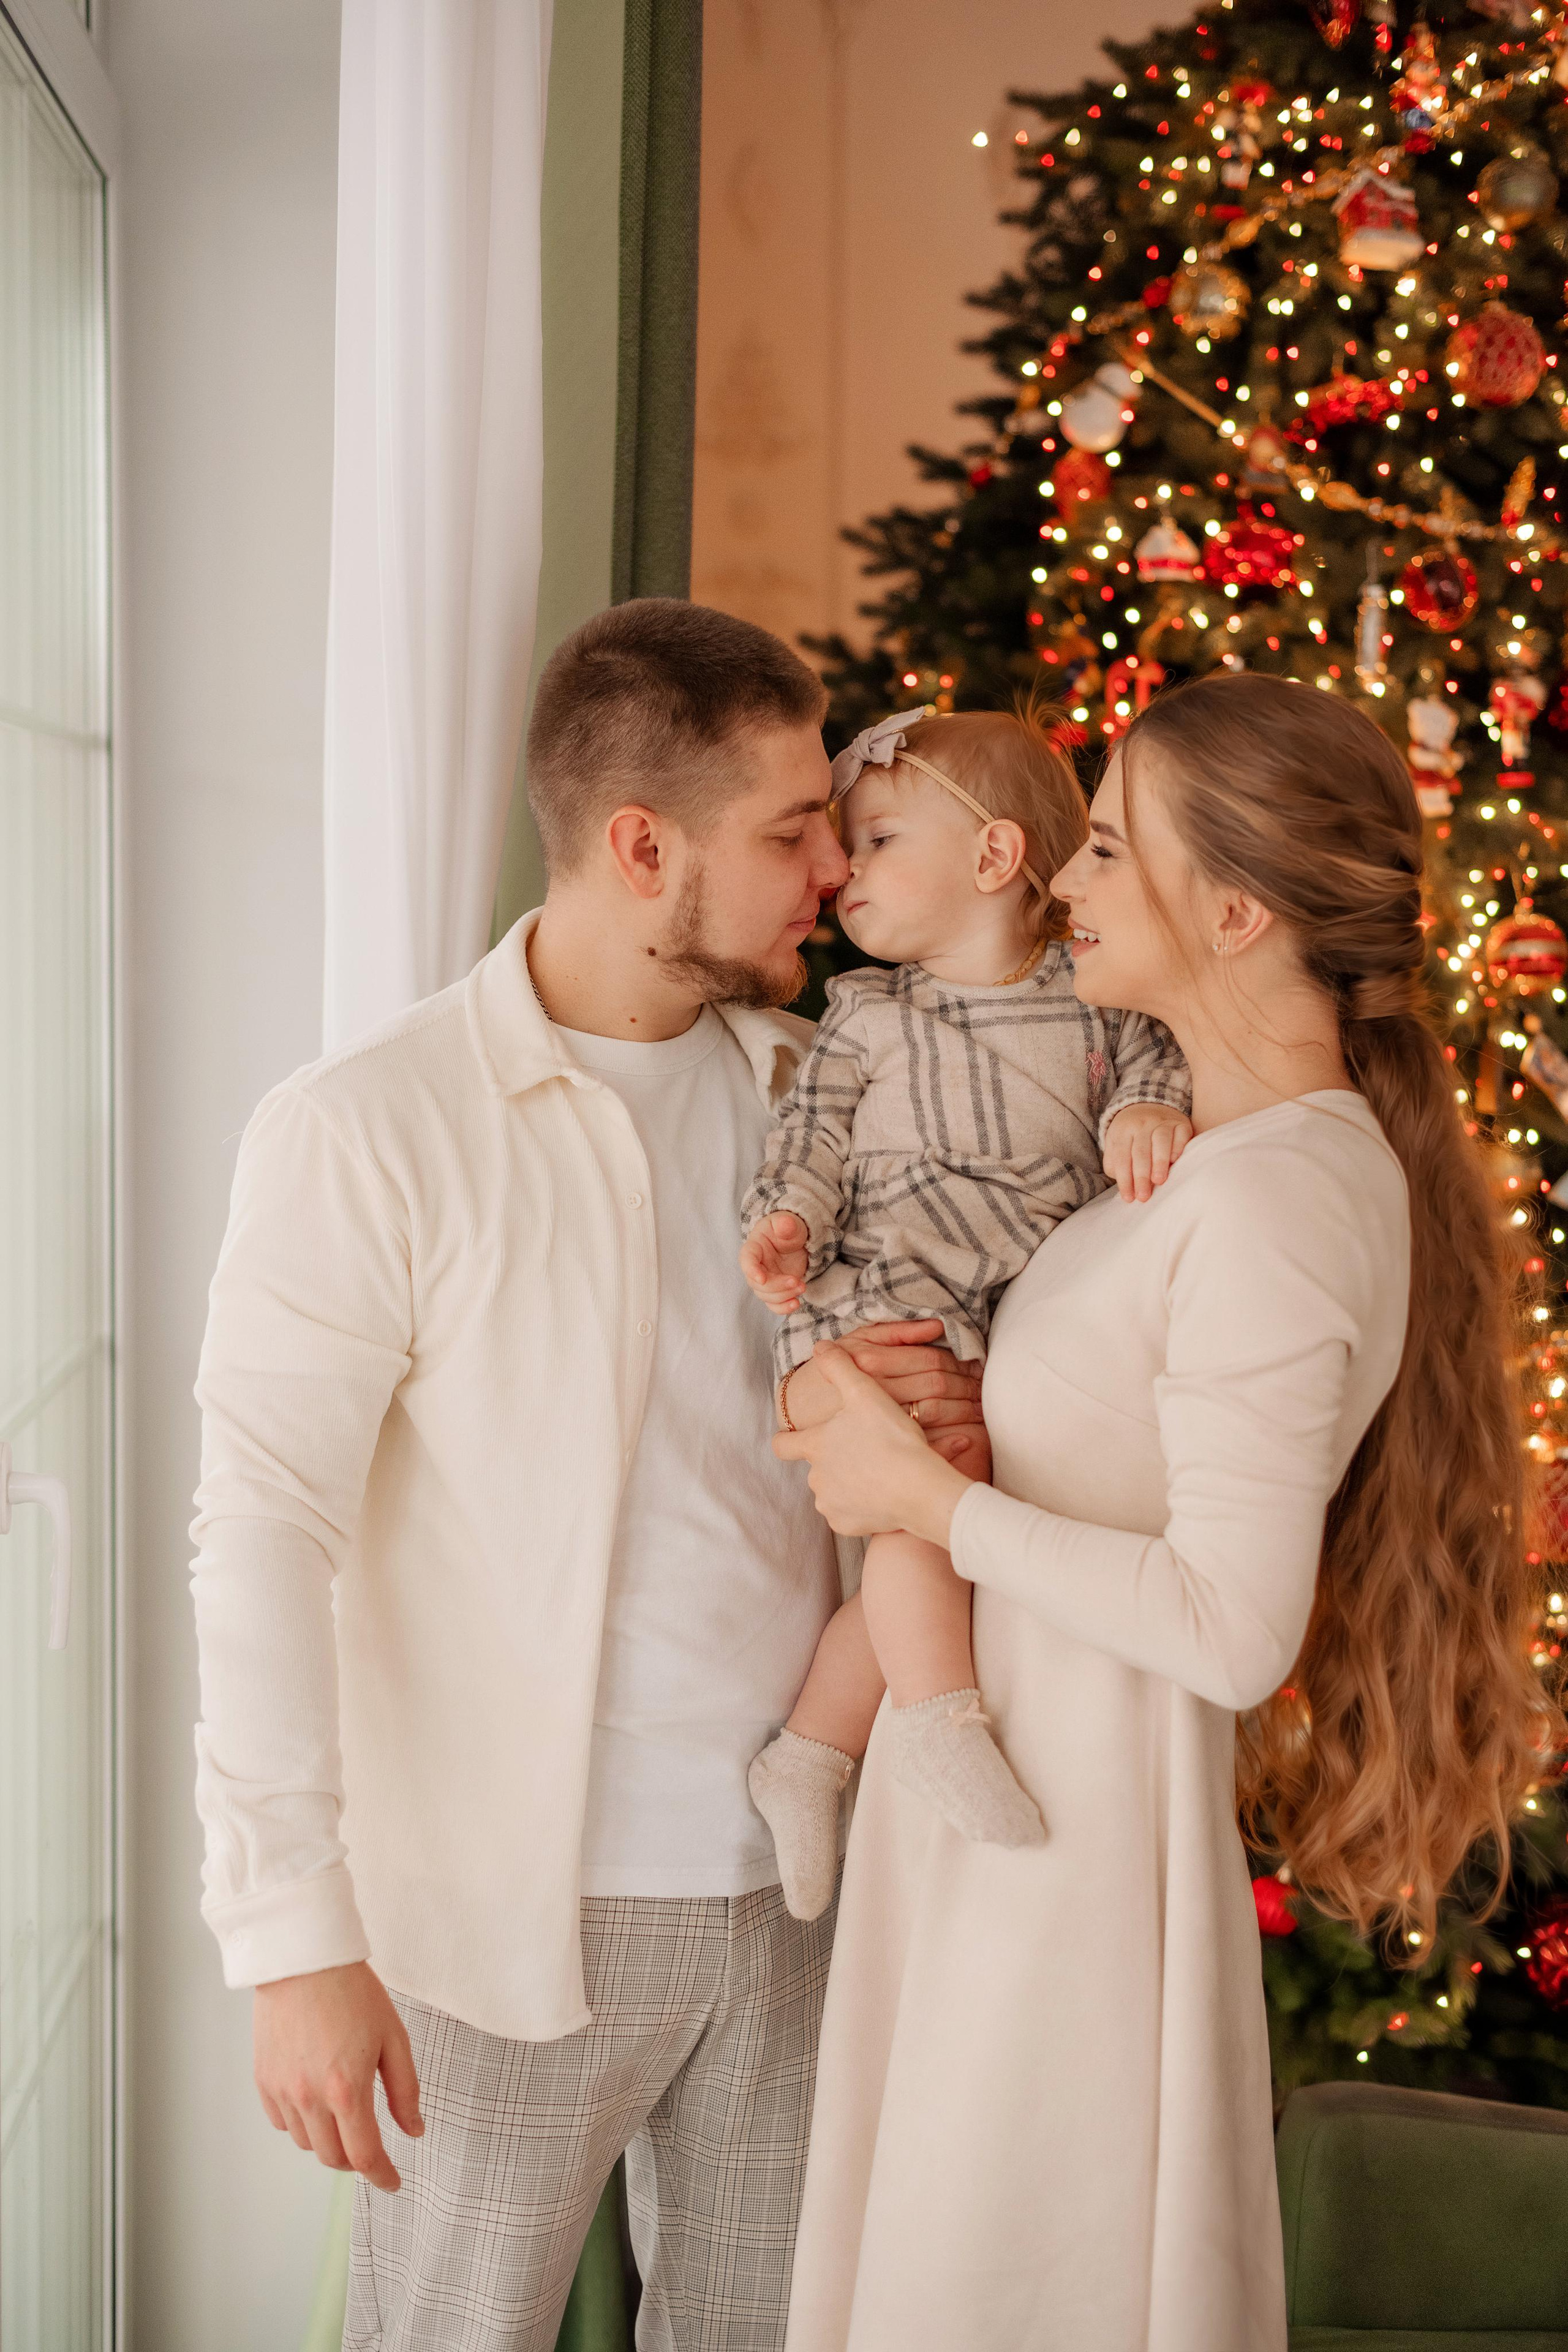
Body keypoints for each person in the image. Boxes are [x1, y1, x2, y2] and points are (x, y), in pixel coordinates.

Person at [187, 599, 988, 2352]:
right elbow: (261, 1525)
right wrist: (290, 1935)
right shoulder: (369, 1126)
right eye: (788, 828)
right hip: (500, 1917)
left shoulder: (817, 1094)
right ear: (643, 845)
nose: (831, 868)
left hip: (799, 1883)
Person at [770, 673, 1552, 2352]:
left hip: (1069, 1858)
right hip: (1008, 1816)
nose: (1063, 882)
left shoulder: (1273, 1203)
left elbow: (1231, 1624)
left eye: (1110, 847)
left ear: (1237, 906)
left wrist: (927, 1502)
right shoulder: (1201, 1161)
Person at [740, 706, 1191, 1920]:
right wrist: (784, 1223)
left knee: (932, 1523)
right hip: (876, 1297)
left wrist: (1143, 1115)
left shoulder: (1096, 1002)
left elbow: (1157, 1062)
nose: (842, 874)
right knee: (925, 1507)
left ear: (994, 859)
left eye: (877, 838)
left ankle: (813, 1750)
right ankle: (936, 1721)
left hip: (994, 1318)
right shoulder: (869, 1013)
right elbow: (812, 1135)